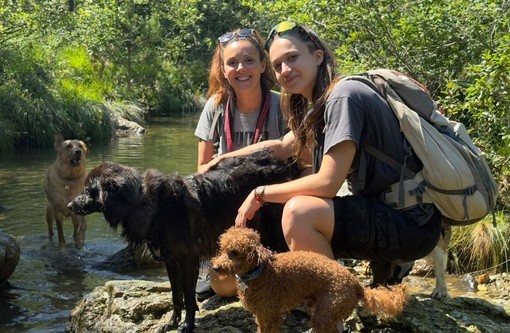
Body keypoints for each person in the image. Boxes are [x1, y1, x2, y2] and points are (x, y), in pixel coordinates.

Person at [203, 21, 442, 308]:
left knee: (299, 212)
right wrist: (222, 159)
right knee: (290, 215)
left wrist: (258, 194)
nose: (285, 70)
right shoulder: (323, 102)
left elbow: (327, 184)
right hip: (396, 215)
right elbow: (280, 147)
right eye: (278, 65)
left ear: (317, 56)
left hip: (410, 225)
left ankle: (331, 312)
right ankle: (360, 282)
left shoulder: (344, 96)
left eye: (292, 58)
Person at [194, 28, 288, 299]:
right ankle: (218, 263)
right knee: (224, 288)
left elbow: (301, 166)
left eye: (249, 60)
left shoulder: (282, 106)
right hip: (230, 210)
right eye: (232, 62)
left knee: (271, 283)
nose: (241, 68)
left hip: (272, 207)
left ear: (262, 65)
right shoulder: (215, 106)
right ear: (223, 70)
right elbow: (201, 171)